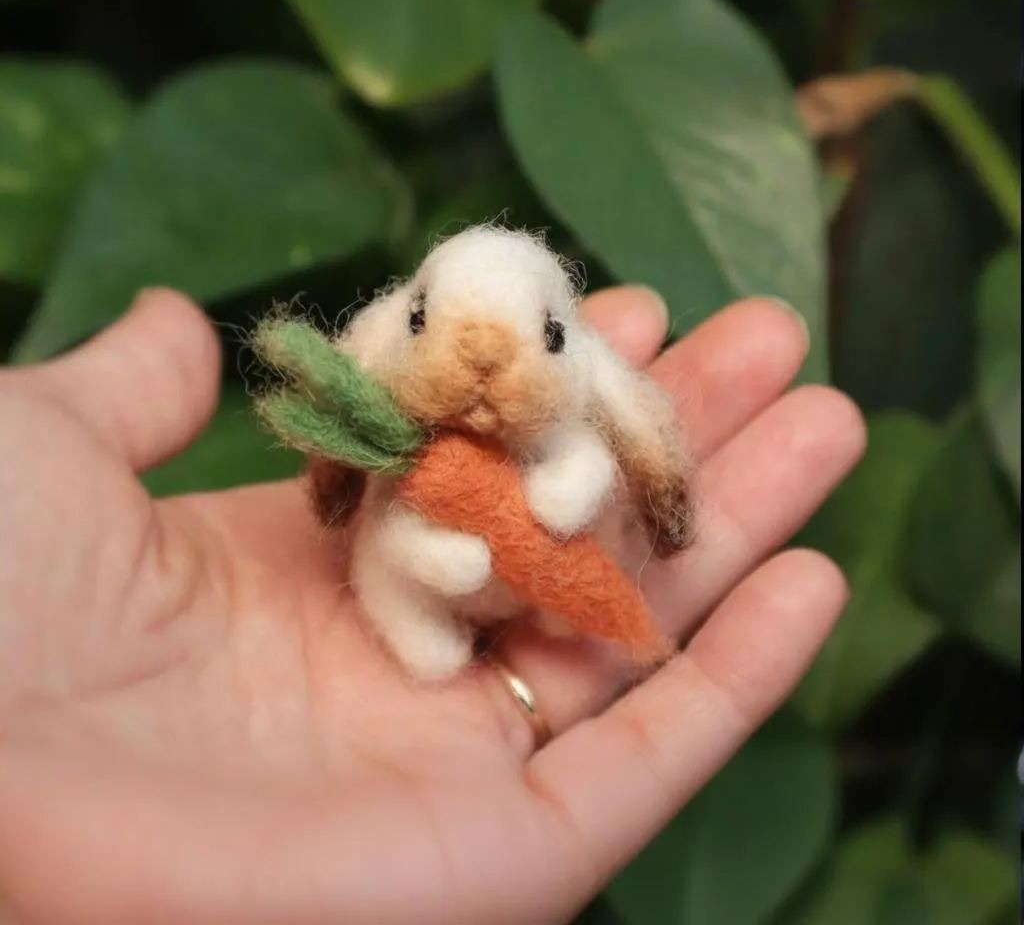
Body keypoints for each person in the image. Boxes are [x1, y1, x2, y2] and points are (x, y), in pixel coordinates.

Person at [0, 285, 865, 924]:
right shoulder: (405, 456)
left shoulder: (573, 427)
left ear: (574, 350)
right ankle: (437, 624)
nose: (484, 367)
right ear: (395, 329)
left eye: (545, 335)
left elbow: (594, 462)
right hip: (426, 567)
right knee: (409, 569)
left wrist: (562, 502)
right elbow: (390, 531)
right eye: (427, 326)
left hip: (541, 587)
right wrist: (441, 555)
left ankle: (553, 606)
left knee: (568, 587)